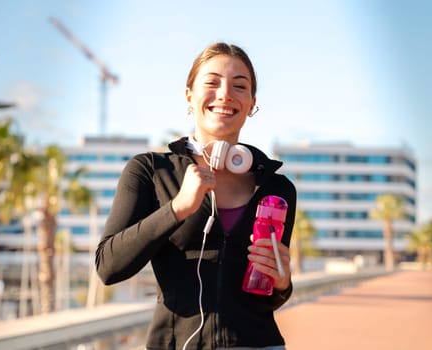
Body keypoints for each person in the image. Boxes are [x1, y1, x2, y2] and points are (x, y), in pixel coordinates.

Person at [95, 42, 297, 350]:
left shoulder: (277, 189)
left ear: (252, 103)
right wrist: (177, 208)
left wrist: (282, 284)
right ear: (189, 96)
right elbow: (108, 267)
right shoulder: (149, 171)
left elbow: (269, 294)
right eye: (212, 82)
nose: (225, 94)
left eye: (239, 86)